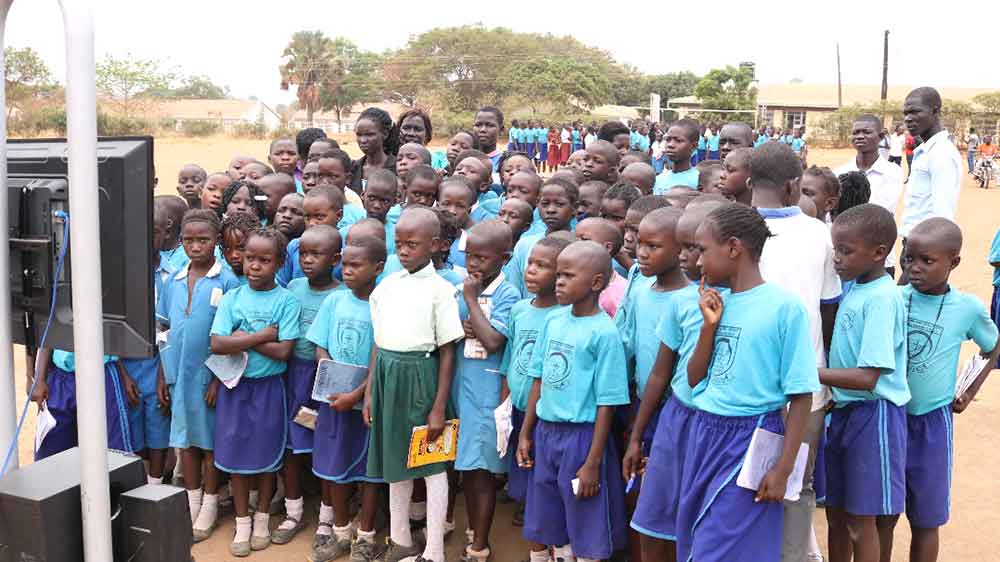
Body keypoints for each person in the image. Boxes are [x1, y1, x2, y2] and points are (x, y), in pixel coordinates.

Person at [679, 203, 819, 562]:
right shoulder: (717, 304)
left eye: (703, 250)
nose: (697, 262)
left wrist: (784, 468)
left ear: (733, 247)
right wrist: (708, 328)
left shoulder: (783, 308)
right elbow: (695, 379)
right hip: (705, 432)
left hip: (751, 437)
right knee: (696, 533)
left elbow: (801, 396)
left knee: (720, 544)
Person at [878, 218, 999, 562]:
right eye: (908, 259)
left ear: (954, 262)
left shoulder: (968, 309)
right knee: (884, 514)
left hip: (933, 423)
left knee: (926, 519)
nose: (914, 268)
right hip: (890, 417)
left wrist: (969, 389)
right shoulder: (892, 299)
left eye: (926, 261)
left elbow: (992, 346)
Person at [748, 143, 842, 562]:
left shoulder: (727, 228)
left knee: (739, 480)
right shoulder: (819, 233)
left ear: (749, 183)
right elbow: (828, 309)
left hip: (743, 386)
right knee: (796, 485)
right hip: (805, 385)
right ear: (793, 186)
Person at [517, 240, 630, 562]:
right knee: (546, 517)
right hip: (546, 432)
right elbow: (539, 377)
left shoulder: (604, 334)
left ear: (596, 283)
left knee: (585, 518)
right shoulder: (554, 320)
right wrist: (527, 432)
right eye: (558, 275)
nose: (559, 282)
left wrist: (593, 462)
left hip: (582, 438)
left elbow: (607, 403)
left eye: (568, 276)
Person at [364, 207, 465, 562]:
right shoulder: (388, 285)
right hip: (387, 378)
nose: (404, 250)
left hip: (421, 378)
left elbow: (447, 352)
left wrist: (438, 406)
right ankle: (401, 539)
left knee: (432, 463)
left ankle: (434, 551)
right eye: (399, 243)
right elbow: (379, 341)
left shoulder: (441, 291)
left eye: (412, 244)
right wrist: (370, 393)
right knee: (395, 462)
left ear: (435, 245)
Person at [821, 204, 909, 562]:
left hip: (874, 417)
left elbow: (868, 377)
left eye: (846, 251)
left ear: (879, 253)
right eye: (835, 250)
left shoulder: (882, 299)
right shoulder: (856, 287)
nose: (837, 259)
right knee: (836, 515)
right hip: (845, 411)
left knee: (861, 520)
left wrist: (811, 375)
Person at [210, 228, 301, 557]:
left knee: (266, 460)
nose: (255, 266)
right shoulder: (233, 297)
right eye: (250, 258)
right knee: (234, 459)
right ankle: (242, 522)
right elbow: (218, 343)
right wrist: (263, 335)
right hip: (235, 387)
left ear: (278, 263)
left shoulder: (286, 300)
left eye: (265, 260)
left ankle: (262, 519)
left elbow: (284, 352)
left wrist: (243, 337)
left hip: (268, 389)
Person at [156, 209, 241, 542]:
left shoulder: (228, 280)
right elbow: (163, 329)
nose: (195, 246)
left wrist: (220, 379)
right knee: (185, 443)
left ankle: (209, 504)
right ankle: (190, 504)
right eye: (189, 240)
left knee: (210, 446)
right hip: (179, 377)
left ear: (216, 241)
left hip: (209, 380)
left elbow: (235, 337)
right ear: (180, 241)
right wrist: (163, 376)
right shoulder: (175, 278)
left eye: (203, 240)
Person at [620, 207, 695, 562]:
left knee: (674, 498)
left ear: (681, 250)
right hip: (642, 406)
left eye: (654, 246)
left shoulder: (693, 299)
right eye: (640, 244)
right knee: (639, 496)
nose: (641, 253)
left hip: (678, 412)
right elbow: (629, 346)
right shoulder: (639, 287)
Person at [306, 236, 386, 562]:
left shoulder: (383, 305)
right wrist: (331, 381)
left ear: (378, 267)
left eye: (357, 265)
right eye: (346, 264)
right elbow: (319, 344)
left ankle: (365, 536)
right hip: (334, 401)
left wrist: (357, 392)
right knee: (334, 467)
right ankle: (340, 533)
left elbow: (382, 357)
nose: (347, 271)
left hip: (367, 403)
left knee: (369, 471)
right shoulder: (335, 302)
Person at [452, 220, 519, 562]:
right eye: (470, 256)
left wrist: (471, 302)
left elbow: (493, 341)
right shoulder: (464, 286)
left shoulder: (507, 294)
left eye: (483, 258)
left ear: (504, 259)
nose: (474, 264)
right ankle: (470, 529)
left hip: (487, 392)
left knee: (482, 473)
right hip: (460, 388)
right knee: (466, 469)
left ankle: (479, 545)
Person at [271, 226, 343, 546]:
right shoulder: (294, 288)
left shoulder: (341, 295)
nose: (307, 260)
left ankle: (326, 519)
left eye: (316, 254)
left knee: (323, 446)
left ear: (336, 259)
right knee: (290, 445)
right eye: (303, 254)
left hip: (323, 379)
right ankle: (293, 511)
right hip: (292, 376)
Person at [499, 235, 572, 527]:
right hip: (517, 403)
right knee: (521, 462)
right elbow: (510, 355)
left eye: (543, 266)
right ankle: (529, 510)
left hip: (545, 411)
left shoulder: (563, 316)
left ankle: (541, 521)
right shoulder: (519, 309)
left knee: (542, 468)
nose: (531, 271)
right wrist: (503, 400)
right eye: (531, 263)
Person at [900, 87, 963, 281]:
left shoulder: (941, 154)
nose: (908, 118)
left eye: (915, 112)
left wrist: (922, 259)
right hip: (914, 246)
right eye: (906, 113)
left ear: (935, 111)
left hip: (924, 250)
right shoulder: (926, 150)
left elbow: (943, 215)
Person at [835, 114, 905, 276]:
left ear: (880, 136)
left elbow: (878, 213)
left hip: (878, 260)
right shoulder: (839, 173)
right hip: (844, 259)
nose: (860, 136)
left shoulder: (892, 173)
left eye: (866, 132)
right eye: (856, 132)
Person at [504, 178, 579, 298]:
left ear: (574, 208)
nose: (551, 210)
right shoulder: (525, 244)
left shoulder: (580, 246)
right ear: (537, 204)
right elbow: (514, 287)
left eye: (559, 204)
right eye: (544, 204)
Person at [575, 217, 628, 316]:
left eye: (584, 239)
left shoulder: (620, 292)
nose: (575, 245)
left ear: (608, 247)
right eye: (575, 239)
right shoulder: (571, 279)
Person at [350, 107, 398, 196]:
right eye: (359, 135)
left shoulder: (398, 168)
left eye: (369, 134)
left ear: (385, 134)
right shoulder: (352, 169)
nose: (363, 140)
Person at [654, 119, 700, 194]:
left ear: (693, 146)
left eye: (678, 141)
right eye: (668, 140)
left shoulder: (699, 181)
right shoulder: (658, 180)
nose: (670, 145)